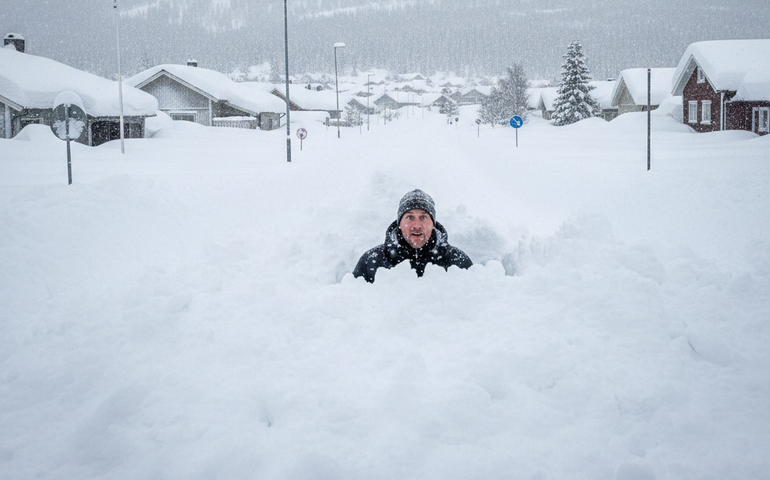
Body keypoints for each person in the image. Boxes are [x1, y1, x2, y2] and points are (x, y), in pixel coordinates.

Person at [353, 189, 472, 283]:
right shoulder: (372, 261)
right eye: (410, 217)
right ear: (399, 223)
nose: (416, 225)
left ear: (433, 224)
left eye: (423, 217)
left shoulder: (457, 261)